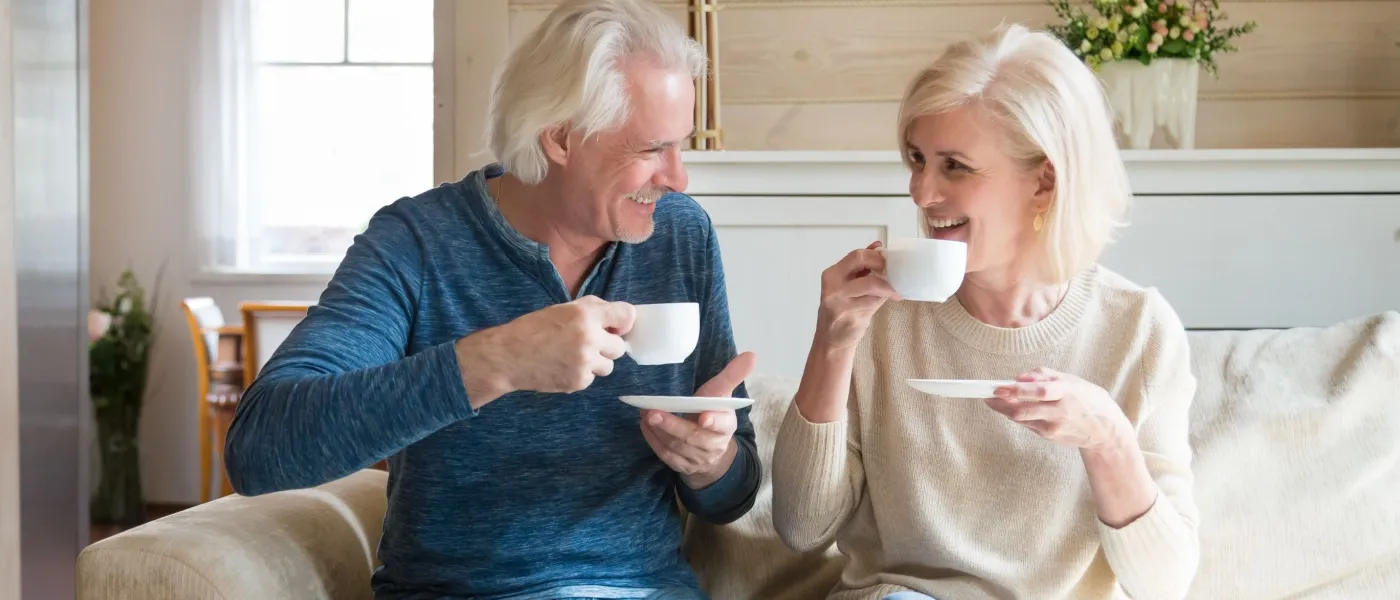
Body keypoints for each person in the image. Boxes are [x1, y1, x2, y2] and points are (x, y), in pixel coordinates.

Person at [223, 1, 761, 598]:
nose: (678, 177)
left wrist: (711, 460)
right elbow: (260, 449)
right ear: (559, 137)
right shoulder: (417, 244)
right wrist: (497, 361)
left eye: (680, 146)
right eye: (651, 149)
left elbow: (733, 495)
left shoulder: (681, 236)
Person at [771, 24, 1200, 600]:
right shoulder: (880, 314)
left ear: (1044, 181)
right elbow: (803, 529)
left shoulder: (1139, 331)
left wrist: (1107, 440)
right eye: (917, 160)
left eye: (955, 166)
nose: (921, 194)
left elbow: (1165, 585)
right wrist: (831, 343)